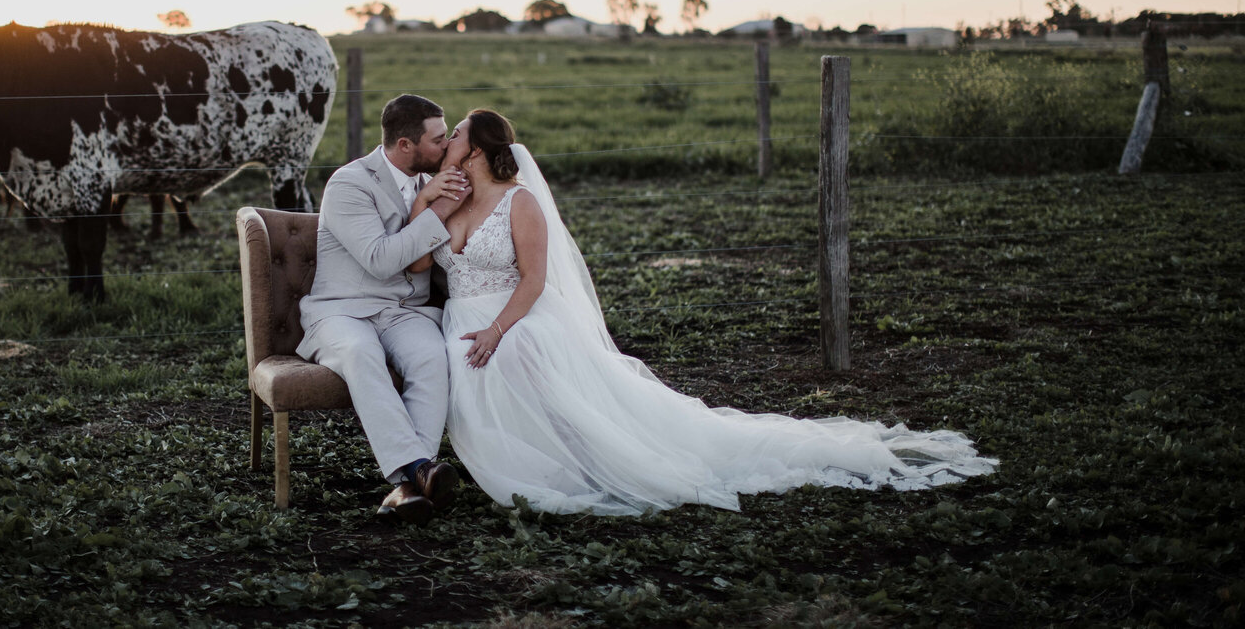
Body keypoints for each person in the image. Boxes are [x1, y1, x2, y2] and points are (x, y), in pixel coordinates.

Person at [414, 108, 997, 516]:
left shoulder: (522, 204)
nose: (450, 140)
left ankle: (573, 458)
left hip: (512, 316)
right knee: (469, 365)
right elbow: (417, 262)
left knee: (518, 350)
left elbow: (536, 280)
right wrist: (427, 197)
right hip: (458, 320)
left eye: (458, 132)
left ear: (484, 147)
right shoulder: (449, 195)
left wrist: (494, 328)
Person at [298, 94, 474, 524]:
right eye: (437, 140)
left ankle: (408, 488)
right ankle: (419, 468)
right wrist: (441, 207)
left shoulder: (430, 180)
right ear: (405, 146)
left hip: (403, 311)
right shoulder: (349, 183)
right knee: (361, 354)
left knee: (433, 357)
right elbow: (378, 258)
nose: (444, 148)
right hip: (343, 311)